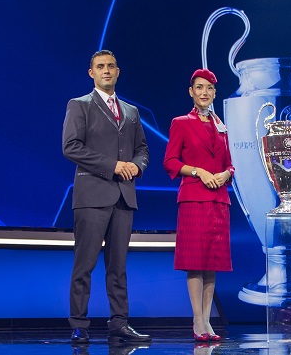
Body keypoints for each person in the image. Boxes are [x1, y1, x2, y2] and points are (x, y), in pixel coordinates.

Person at [62, 49, 151, 344]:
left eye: (111, 66)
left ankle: (119, 323)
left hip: (124, 197)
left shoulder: (131, 112)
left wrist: (136, 166)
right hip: (92, 196)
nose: (106, 71)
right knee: (84, 264)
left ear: (118, 71)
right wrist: (112, 166)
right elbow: (71, 147)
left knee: (118, 266)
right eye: (100, 67)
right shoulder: (79, 105)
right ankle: (79, 325)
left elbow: (143, 149)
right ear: (92, 73)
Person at [163, 69, 234, 342]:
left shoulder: (221, 126)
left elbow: (229, 163)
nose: (205, 92)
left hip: (219, 200)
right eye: (200, 87)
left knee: (211, 263)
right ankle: (198, 319)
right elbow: (170, 161)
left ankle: (207, 319)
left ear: (215, 93)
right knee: (195, 262)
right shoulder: (181, 123)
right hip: (194, 198)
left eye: (209, 88)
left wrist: (226, 173)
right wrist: (198, 171)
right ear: (191, 92)